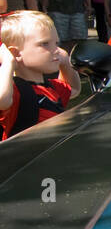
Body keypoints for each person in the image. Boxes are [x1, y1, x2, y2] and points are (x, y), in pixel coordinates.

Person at [0, 10, 81, 141]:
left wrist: (65, 61)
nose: (56, 50)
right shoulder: (14, 91)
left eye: (56, 43)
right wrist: (8, 63)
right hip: (24, 159)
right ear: (16, 53)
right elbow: (2, 101)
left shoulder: (52, 87)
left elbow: (75, 89)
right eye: (45, 44)